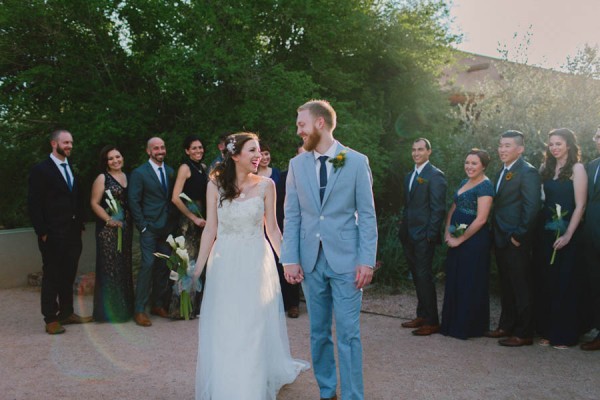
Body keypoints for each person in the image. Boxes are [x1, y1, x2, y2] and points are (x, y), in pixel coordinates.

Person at [192, 132, 309, 399]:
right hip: (224, 262)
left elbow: (274, 230)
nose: (259, 156)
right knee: (227, 323)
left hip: (257, 261)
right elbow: (210, 229)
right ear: (235, 156)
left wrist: (288, 263)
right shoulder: (215, 185)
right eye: (252, 151)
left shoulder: (267, 185)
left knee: (253, 323)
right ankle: (226, 382)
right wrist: (196, 271)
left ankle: (251, 387)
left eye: (259, 151)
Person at [282, 100, 378, 400]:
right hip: (310, 262)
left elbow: (368, 215)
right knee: (318, 333)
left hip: (348, 262)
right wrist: (290, 259)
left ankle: (352, 396)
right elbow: (293, 215)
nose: (298, 130)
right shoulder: (296, 165)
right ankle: (327, 392)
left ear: (320, 123)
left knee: (348, 334)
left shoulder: (355, 161)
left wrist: (366, 261)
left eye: (302, 124)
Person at [27, 129, 92, 334]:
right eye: (65, 142)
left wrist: (80, 224)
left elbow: (76, 197)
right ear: (54, 144)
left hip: (72, 233)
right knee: (52, 275)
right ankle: (51, 318)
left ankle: (66, 312)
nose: (69, 146)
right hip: (52, 233)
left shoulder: (69, 167)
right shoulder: (41, 170)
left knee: (68, 274)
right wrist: (43, 232)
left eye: (71, 142)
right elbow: (34, 204)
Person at [487, 130, 541, 347]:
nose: (502, 149)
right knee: (506, 285)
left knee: (521, 287)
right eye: (500, 145)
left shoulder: (528, 172)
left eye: (507, 146)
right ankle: (506, 326)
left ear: (520, 149)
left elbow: (532, 207)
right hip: (500, 237)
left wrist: (519, 236)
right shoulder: (502, 170)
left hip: (515, 239)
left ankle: (524, 332)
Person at [534, 128, 587, 349]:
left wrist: (567, 235)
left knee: (565, 282)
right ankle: (547, 331)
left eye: (559, 144)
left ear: (569, 145)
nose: (554, 148)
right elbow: (542, 199)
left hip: (569, 232)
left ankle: (564, 334)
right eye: (551, 144)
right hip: (546, 230)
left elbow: (581, 205)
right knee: (548, 280)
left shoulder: (577, 169)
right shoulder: (545, 168)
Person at [441, 149, 494, 340]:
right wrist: (448, 231)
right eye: (467, 162)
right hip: (456, 236)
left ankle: (467, 327)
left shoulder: (486, 186)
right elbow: (453, 208)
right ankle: (450, 324)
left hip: (474, 241)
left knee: (469, 281)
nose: (469, 166)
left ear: (484, 166)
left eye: (474, 163)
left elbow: (481, 219)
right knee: (456, 277)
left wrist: (459, 239)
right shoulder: (464, 182)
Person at [398, 138, 447, 336]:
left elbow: (438, 208)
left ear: (429, 151)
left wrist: (430, 235)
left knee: (424, 277)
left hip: (424, 237)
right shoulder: (410, 175)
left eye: (420, 150)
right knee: (417, 276)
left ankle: (432, 321)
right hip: (409, 235)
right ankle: (422, 315)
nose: (416, 153)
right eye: (413, 150)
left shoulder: (435, 175)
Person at [128, 137, 178, 327]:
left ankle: (157, 304)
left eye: (162, 147)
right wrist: (142, 225)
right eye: (156, 148)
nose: (160, 150)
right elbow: (133, 200)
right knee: (148, 265)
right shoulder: (139, 173)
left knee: (163, 266)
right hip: (149, 227)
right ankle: (139, 310)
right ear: (149, 151)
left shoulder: (171, 171)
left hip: (167, 228)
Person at [90, 146, 134, 322]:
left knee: (124, 267)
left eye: (118, 156)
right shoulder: (102, 178)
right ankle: (108, 312)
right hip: (108, 231)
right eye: (110, 158)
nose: (115, 160)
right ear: (105, 162)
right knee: (110, 269)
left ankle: (124, 309)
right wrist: (109, 220)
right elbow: (94, 203)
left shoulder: (128, 177)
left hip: (126, 228)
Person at [170, 135, 208, 318]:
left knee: (200, 263)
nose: (198, 151)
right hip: (189, 222)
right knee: (187, 263)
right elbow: (175, 197)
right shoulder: (185, 168)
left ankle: (195, 307)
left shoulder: (202, 168)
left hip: (203, 220)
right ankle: (180, 308)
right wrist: (193, 217)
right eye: (194, 148)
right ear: (187, 151)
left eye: (200, 147)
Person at [275, 142, 304, 318]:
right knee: (290, 261)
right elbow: (279, 203)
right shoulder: (286, 176)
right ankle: (291, 303)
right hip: (289, 223)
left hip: (310, 227)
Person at [581, 126, 600, 351]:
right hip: (592, 234)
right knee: (595, 283)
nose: (599, 140)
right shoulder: (592, 165)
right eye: (597, 136)